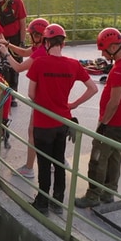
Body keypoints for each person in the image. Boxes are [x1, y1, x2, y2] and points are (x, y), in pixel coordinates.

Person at [27, 24, 98, 216]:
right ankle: (57, 202)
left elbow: (31, 93)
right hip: (63, 122)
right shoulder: (74, 65)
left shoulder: (39, 63)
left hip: (43, 123)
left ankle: (42, 202)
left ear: (46, 42)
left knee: (44, 164)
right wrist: (72, 104)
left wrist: (44, 103)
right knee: (58, 162)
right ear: (63, 43)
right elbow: (93, 88)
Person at [75, 27, 121, 208]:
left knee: (98, 157)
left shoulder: (120, 70)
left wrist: (103, 124)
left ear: (113, 47)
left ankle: (93, 196)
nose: (102, 54)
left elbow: (115, 101)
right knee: (113, 156)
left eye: (104, 49)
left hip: (112, 123)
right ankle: (108, 192)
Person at [0, 18, 49, 177]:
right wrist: (8, 45)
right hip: (50, 95)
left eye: (32, 35)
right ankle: (57, 161)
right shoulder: (44, 48)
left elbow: (19, 67)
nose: (29, 38)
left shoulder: (41, 52)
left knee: (33, 131)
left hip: (42, 97)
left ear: (39, 35)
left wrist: (6, 54)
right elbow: (25, 52)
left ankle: (28, 168)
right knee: (51, 130)